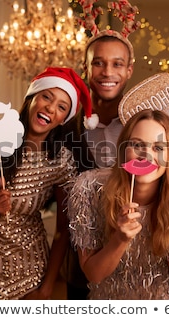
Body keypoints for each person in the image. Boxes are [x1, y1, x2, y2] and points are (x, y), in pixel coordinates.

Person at [0, 67, 94, 299]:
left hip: (30, 271)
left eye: (62, 107)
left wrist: (47, 287)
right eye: (47, 96)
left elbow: (62, 231)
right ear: (31, 98)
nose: (51, 108)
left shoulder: (60, 161)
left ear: (63, 120)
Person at [67, 109, 169, 299]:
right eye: (137, 145)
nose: (146, 155)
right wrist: (120, 239)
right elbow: (93, 274)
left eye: (158, 148)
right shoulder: (89, 189)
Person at [61, 29, 135, 299]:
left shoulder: (143, 125)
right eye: (98, 62)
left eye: (117, 63)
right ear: (86, 67)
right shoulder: (66, 122)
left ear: (129, 70)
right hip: (84, 262)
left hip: (137, 262)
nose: (107, 72)